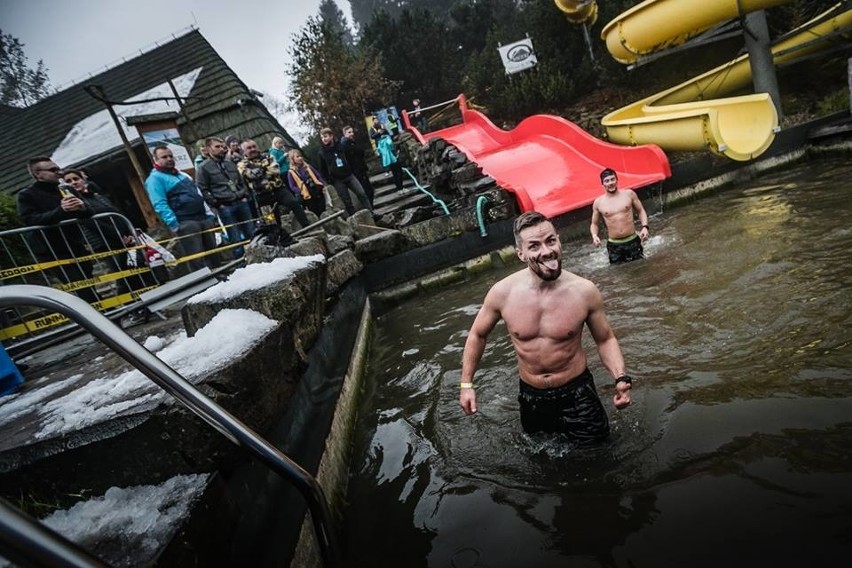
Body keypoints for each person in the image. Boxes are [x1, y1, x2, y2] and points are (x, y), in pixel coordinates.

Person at [459, 211, 633, 439]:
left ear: (559, 240)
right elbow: (477, 335)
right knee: (540, 461)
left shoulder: (584, 291)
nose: (547, 251)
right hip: (532, 397)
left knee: (598, 454)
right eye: (534, 246)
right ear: (521, 254)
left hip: (578, 394)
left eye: (551, 241)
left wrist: (620, 378)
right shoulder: (502, 293)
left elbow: (605, 338)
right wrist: (466, 385)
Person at [16, 157, 99, 303]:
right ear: (38, 174)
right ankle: (103, 316)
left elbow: (89, 212)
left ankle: (102, 313)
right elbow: (31, 220)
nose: (59, 173)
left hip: (75, 244)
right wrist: (61, 210)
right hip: (52, 250)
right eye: (53, 170)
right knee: (80, 285)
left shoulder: (67, 189)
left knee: (87, 281)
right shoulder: (27, 195)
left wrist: (82, 206)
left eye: (58, 168)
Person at [144, 146, 220, 272]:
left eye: (170, 156)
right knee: (197, 258)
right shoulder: (154, 179)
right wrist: (174, 224)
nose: (169, 159)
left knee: (214, 253)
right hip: (185, 222)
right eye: (164, 157)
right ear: (155, 160)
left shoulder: (181, 174)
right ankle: (205, 284)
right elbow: (159, 204)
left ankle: (223, 278)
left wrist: (209, 214)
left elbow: (198, 194)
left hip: (203, 218)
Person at [195, 137, 255, 258]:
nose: (221, 149)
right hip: (225, 206)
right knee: (235, 238)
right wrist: (217, 204)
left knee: (252, 233)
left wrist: (244, 195)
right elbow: (203, 189)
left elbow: (240, 181)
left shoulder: (230, 163)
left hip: (241, 202)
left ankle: (260, 258)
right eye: (217, 146)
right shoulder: (203, 168)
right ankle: (242, 264)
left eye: (222, 146)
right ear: (208, 149)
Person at [238, 138, 311, 229]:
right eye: (249, 148)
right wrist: (264, 169)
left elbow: (275, 170)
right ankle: (279, 238)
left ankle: (307, 227)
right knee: (271, 220)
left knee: (294, 203)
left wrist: (257, 172)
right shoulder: (241, 165)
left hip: (279, 189)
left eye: (254, 146)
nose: (252, 149)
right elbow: (250, 176)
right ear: (243, 151)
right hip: (262, 195)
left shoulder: (268, 156)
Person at [590, 168, 650, 264]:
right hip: (614, 245)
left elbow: (641, 211)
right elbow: (594, 224)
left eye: (612, 179)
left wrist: (645, 227)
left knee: (641, 267)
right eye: (607, 181)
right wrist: (594, 236)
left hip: (633, 241)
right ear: (603, 184)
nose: (610, 183)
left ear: (617, 180)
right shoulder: (598, 203)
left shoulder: (629, 194)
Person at [317, 127, 372, 215]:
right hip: (337, 180)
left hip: (349, 175)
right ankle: (355, 219)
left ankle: (371, 213)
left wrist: (352, 170)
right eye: (322, 137)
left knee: (362, 193)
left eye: (326, 136)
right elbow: (323, 169)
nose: (324, 139)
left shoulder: (341, 146)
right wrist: (330, 180)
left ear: (331, 136)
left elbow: (350, 158)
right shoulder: (322, 152)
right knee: (347, 201)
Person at [286, 149, 327, 217]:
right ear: (293, 159)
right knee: (314, 212)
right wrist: (300, 191)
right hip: (306, 195)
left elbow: (318, 175)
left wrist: (321, 183)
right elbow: (292, 186)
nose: (300, 158)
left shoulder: (308, 167)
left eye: (300, 156)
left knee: (323, 209)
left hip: (316, 190)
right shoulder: (291, 172)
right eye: (297, 156)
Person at [341, 125, 374, 206]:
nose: (352, 134)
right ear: (345, 134)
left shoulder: (353, 142)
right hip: (356, 171)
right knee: (366, 192)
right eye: (349, 132)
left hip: (361, 169)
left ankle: (371, 208)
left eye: (352, 132)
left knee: (369, 190)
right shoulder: (345, 146)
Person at [374, 123, 405, 193]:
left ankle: (398, 189)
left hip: (387, 159)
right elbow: (391, 144)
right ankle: (401, 188)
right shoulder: (386, 138)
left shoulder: (379, 141)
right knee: (399, 172)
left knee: (394, 173)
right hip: (393, 157)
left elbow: (378, 150)